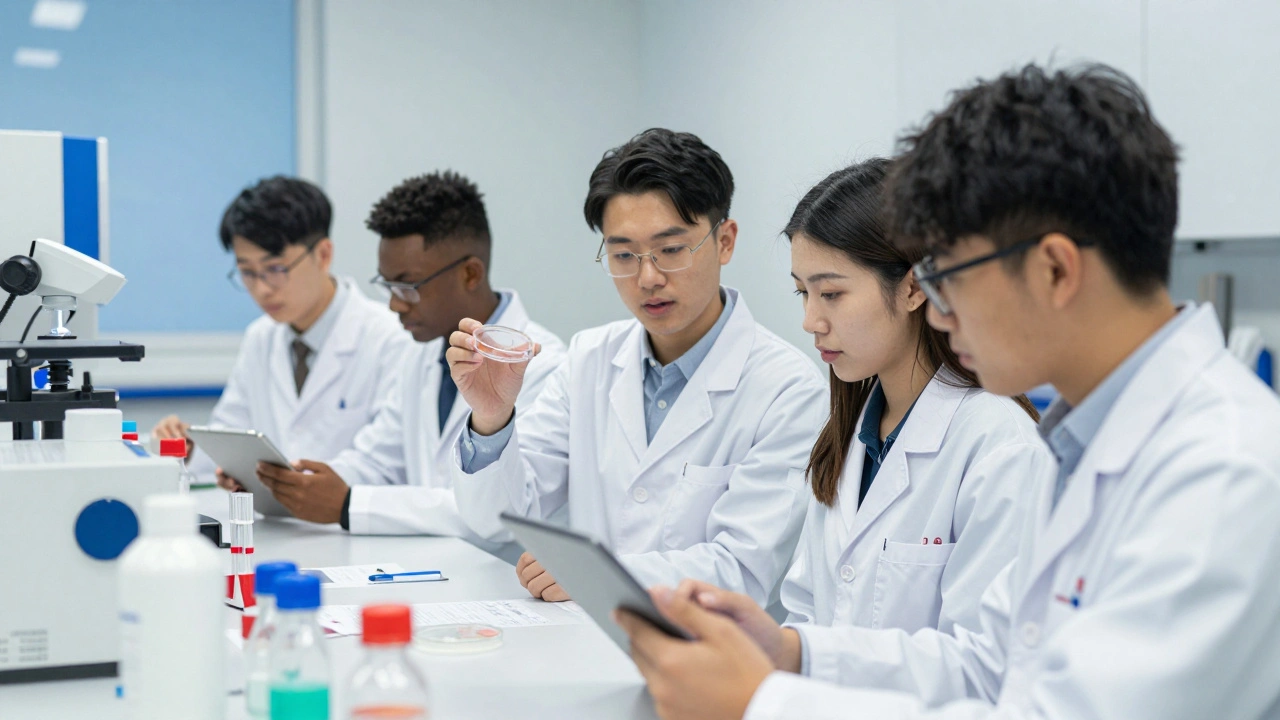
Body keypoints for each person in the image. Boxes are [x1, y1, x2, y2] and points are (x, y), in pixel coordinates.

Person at [616, 63, 1280, 720]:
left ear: (1054, 268)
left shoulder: (1225, 474)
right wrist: (794, 654)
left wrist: (765, 703)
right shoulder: (1083, 445)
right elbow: (988, 665)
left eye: (951, 276)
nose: (935, 310)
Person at [447, 128, 828, 605]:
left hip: (711, 661)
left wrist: (596, 575)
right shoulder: (588, 358)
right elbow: (496, 518)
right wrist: (491, 418)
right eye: (624, 254)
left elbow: (743, 570)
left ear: (725, 241)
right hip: (588, 641)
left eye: (671, 249)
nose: (648, 278)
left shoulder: (787, 389)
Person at [763, 158, 1048, 642]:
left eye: (830, 294)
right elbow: (807, 614)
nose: (811, 320)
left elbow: (982, 660)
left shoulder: (998, 442)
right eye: (801, 294)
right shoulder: (848, 434)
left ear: (914, 287)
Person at [253, 171, 565, 535]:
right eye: (387, 285)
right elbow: (378, 459)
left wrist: (349, 504)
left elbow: (498, 512)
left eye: (407, 287)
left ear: (470, 274)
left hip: (506, 577)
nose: (394, 305)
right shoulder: (421, 356)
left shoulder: (544, 366)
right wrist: (294, 483)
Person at [153, 176, 411, 490]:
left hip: (355, 530)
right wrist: (191, 446)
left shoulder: (390, 338)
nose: (261, 289)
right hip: (276, 529)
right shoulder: (260, 338)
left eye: (275, 268)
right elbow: (231, 438)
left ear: (323, 255)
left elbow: (389, 463)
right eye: (247, 272)